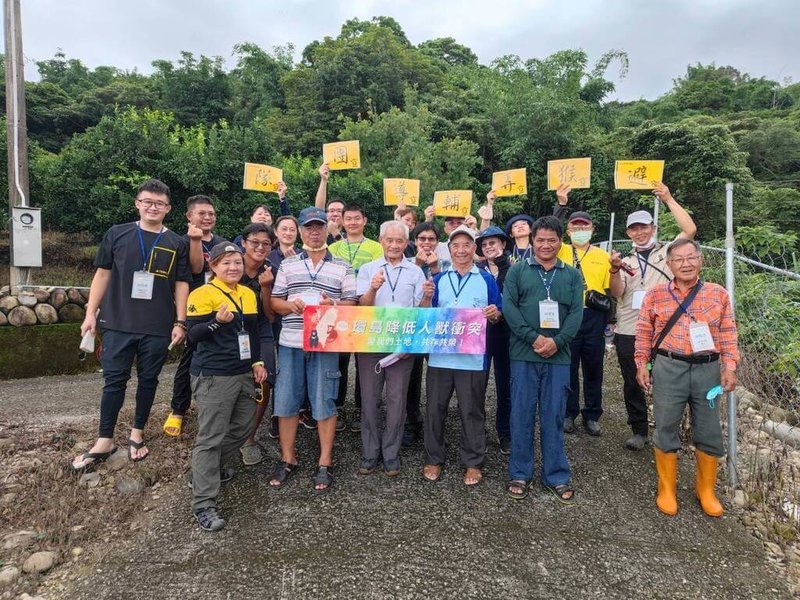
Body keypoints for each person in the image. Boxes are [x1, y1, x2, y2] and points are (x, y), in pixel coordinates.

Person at [72, 179, 190, 471]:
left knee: (149, 381)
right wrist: (90, 314)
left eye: (159, 203)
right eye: (147, 201)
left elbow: (182, 283)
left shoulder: (177, 242)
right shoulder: (117, 233)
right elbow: (102, 275)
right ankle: (105, 439)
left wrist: (180, 321)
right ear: (137, 203)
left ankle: (137, 432)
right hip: (117, 320)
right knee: (113, 381)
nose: (153, 207)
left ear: (168, 208)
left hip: (157, 324)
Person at [634, 238, 739, 517]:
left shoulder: (718, 294)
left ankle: (706, 490)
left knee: (709, 427)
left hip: (708, 368)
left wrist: (729, 367)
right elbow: (644, 332)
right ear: (669, 264)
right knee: (666, 424)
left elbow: (728, 333)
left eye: (691, 257)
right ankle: (666, 488)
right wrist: (641, 364)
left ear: (701, 260)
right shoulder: (655, 295)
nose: (686, 264)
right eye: (678, 259)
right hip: (669, 366)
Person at [269, 207, 358, 493]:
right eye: (309, 227)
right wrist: (290, 305)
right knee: (285, 401)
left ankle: (325, 461)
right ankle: (287, 457)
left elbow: (352, 304)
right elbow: (274, 302)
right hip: (291, 341)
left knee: (324, 401)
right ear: (301, 231)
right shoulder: (288, 264)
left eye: (319, 226)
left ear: (326, 229)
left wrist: (329, 304)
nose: (314, 231)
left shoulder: (342, 265)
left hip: (325, 341)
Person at [186, 242, 267, 531]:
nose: (233, 267)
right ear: (214, 267)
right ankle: (204, 504)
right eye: (226, 263)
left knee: (244, 427)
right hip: (213, 375)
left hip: (243, 371)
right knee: (211, 436)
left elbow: (254, 332)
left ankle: (203, 468)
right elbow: (192, 335)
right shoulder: (202, 294)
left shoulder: (247, 293)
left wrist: (257, 361)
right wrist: (216, 323)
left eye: (237, 262)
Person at [502, 215, 584, 503]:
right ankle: (520, 472)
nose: (546, 245)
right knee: (521, 413)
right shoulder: (518, 271)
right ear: (532, 241)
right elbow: (509, 307)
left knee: (554, 415)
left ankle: (556, 475)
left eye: (552, 240)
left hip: (558, 357)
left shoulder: (572, 275)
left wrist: (557, 342)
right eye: (541, 240)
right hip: (524, 353)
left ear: (561, 241)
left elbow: (576, 313)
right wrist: (534, 338)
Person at [609, 183, 697, 450]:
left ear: (653, 228)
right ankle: (638, 429)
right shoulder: (625, 261)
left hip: (664, 330)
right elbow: (618, 293)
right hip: (629, 327)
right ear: (628, 233)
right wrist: (613, 271)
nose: (639, 232)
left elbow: (690, 230)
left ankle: (666, 430)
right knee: (632, 381)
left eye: (644, 226)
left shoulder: (669, 252)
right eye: (634, 228)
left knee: (666, 381)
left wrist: (668, 198)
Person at [423, 225, 502, 487]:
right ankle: (434, 458)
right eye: (455, 245)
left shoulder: (486, 279)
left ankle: (473, 462)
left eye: (466, 245)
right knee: (435, 409)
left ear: (474, 249)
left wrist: (494, 314)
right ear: (449, 249)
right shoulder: (438, 279)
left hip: (472, 357)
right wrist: (425, 298)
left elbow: (498, 311)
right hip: (440, 357)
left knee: (472, 410)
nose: (460, 250)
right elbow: (427, 315)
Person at [356, 220, 432, 476]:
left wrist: (427, 297)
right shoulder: (368, 269)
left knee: (397, 400)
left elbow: (420, 312)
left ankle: (391, 453)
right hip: (372, 342)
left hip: (401, 344)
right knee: (369, 399)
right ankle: (369, 452)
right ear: (381, 240)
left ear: (406, 243)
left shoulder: (414, 271)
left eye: (400, 241)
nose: (394, 245)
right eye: (390, 240)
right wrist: (373, 288)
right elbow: (363, 306)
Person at [163, 195, 226, 438]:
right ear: (189, 216)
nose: (207, 217)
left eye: (211, 213)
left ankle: (216, 405)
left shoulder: (222, 243)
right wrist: (195, 240)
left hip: (221, 308)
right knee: (189, 358)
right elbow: (196, 269)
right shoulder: (179, 242)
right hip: (194, 310)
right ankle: (178, 409)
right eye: (202, 213)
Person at [554, 188, 612, 437]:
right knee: (568, 365)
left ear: (592, 229)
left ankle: (592, 414)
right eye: (575, 227)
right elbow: (549, 229)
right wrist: (561, 204)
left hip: (594, 316)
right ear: (567, 231)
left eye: (584, 227)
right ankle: (569, 412)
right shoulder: (562, 250)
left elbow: (610, 289)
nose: (580, 231)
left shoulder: (604, 255)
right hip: (567, 314)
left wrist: (611, 320)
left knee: (593, 366)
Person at [329, 205, 384, 432]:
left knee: (365, 362)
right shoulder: (332, 247)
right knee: (339, 361)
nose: (352, 222)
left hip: (366, 310)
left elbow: (379, 276)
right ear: (341, 221)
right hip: (340, 309)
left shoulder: (376, 247)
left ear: (364, 220)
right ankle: (338, 406)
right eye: (348, 219)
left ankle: (362, 409)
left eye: (356, 218)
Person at [269, 215, 316, 433]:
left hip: (310, 324)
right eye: (284, 229)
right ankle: (277, 416)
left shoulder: (305, 255)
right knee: (283, 374)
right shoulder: (269, 256)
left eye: (292, 230)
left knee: (308, 368)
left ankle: (304, 410)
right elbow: (275, 297)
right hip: (281, 320)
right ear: (276, 232)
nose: (288, 233)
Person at [237, 223, 277, 466]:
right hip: (230, 331)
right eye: (255, 242)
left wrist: (266, 287)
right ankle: (227, 436)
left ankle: (249, 438)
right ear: (243, 242)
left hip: (261, 331)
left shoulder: (270, 272)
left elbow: (271, 317)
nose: (260, 247)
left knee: (265, 382)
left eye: (266, 244)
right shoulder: (229, 264)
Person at [401, 222, 443, 446]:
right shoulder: (407, 263)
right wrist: (418, 264)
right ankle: (411, 422)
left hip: (438, 328)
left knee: (438, 377)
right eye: (422, 239)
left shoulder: (446, 263)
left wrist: (435, 269)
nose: (427, 243)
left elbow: (445, 295)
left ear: (438, 241)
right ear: (414, 241)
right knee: (411, 377)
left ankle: (435, 426)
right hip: (414, 327)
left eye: (431, 239)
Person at [475, 226, 513, 455]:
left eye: (493, 243)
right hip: (479, 335)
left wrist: (501, 315)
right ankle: (477, 431)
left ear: (503, 245)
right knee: (476, 385)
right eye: (485, 244)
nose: (489, 247)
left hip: (506, 336)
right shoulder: (477, 271)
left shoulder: (515, 269)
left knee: (505, 386)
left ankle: (505, 433)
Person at [314, 163, 346, 244]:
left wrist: (336, 233)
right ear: (326, 214)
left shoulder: (351, 237)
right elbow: (318, 209)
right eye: (331, 211)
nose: (335, 214)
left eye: (339, 211)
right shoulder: (318, 235)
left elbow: (347, 255)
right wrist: (324, 180)